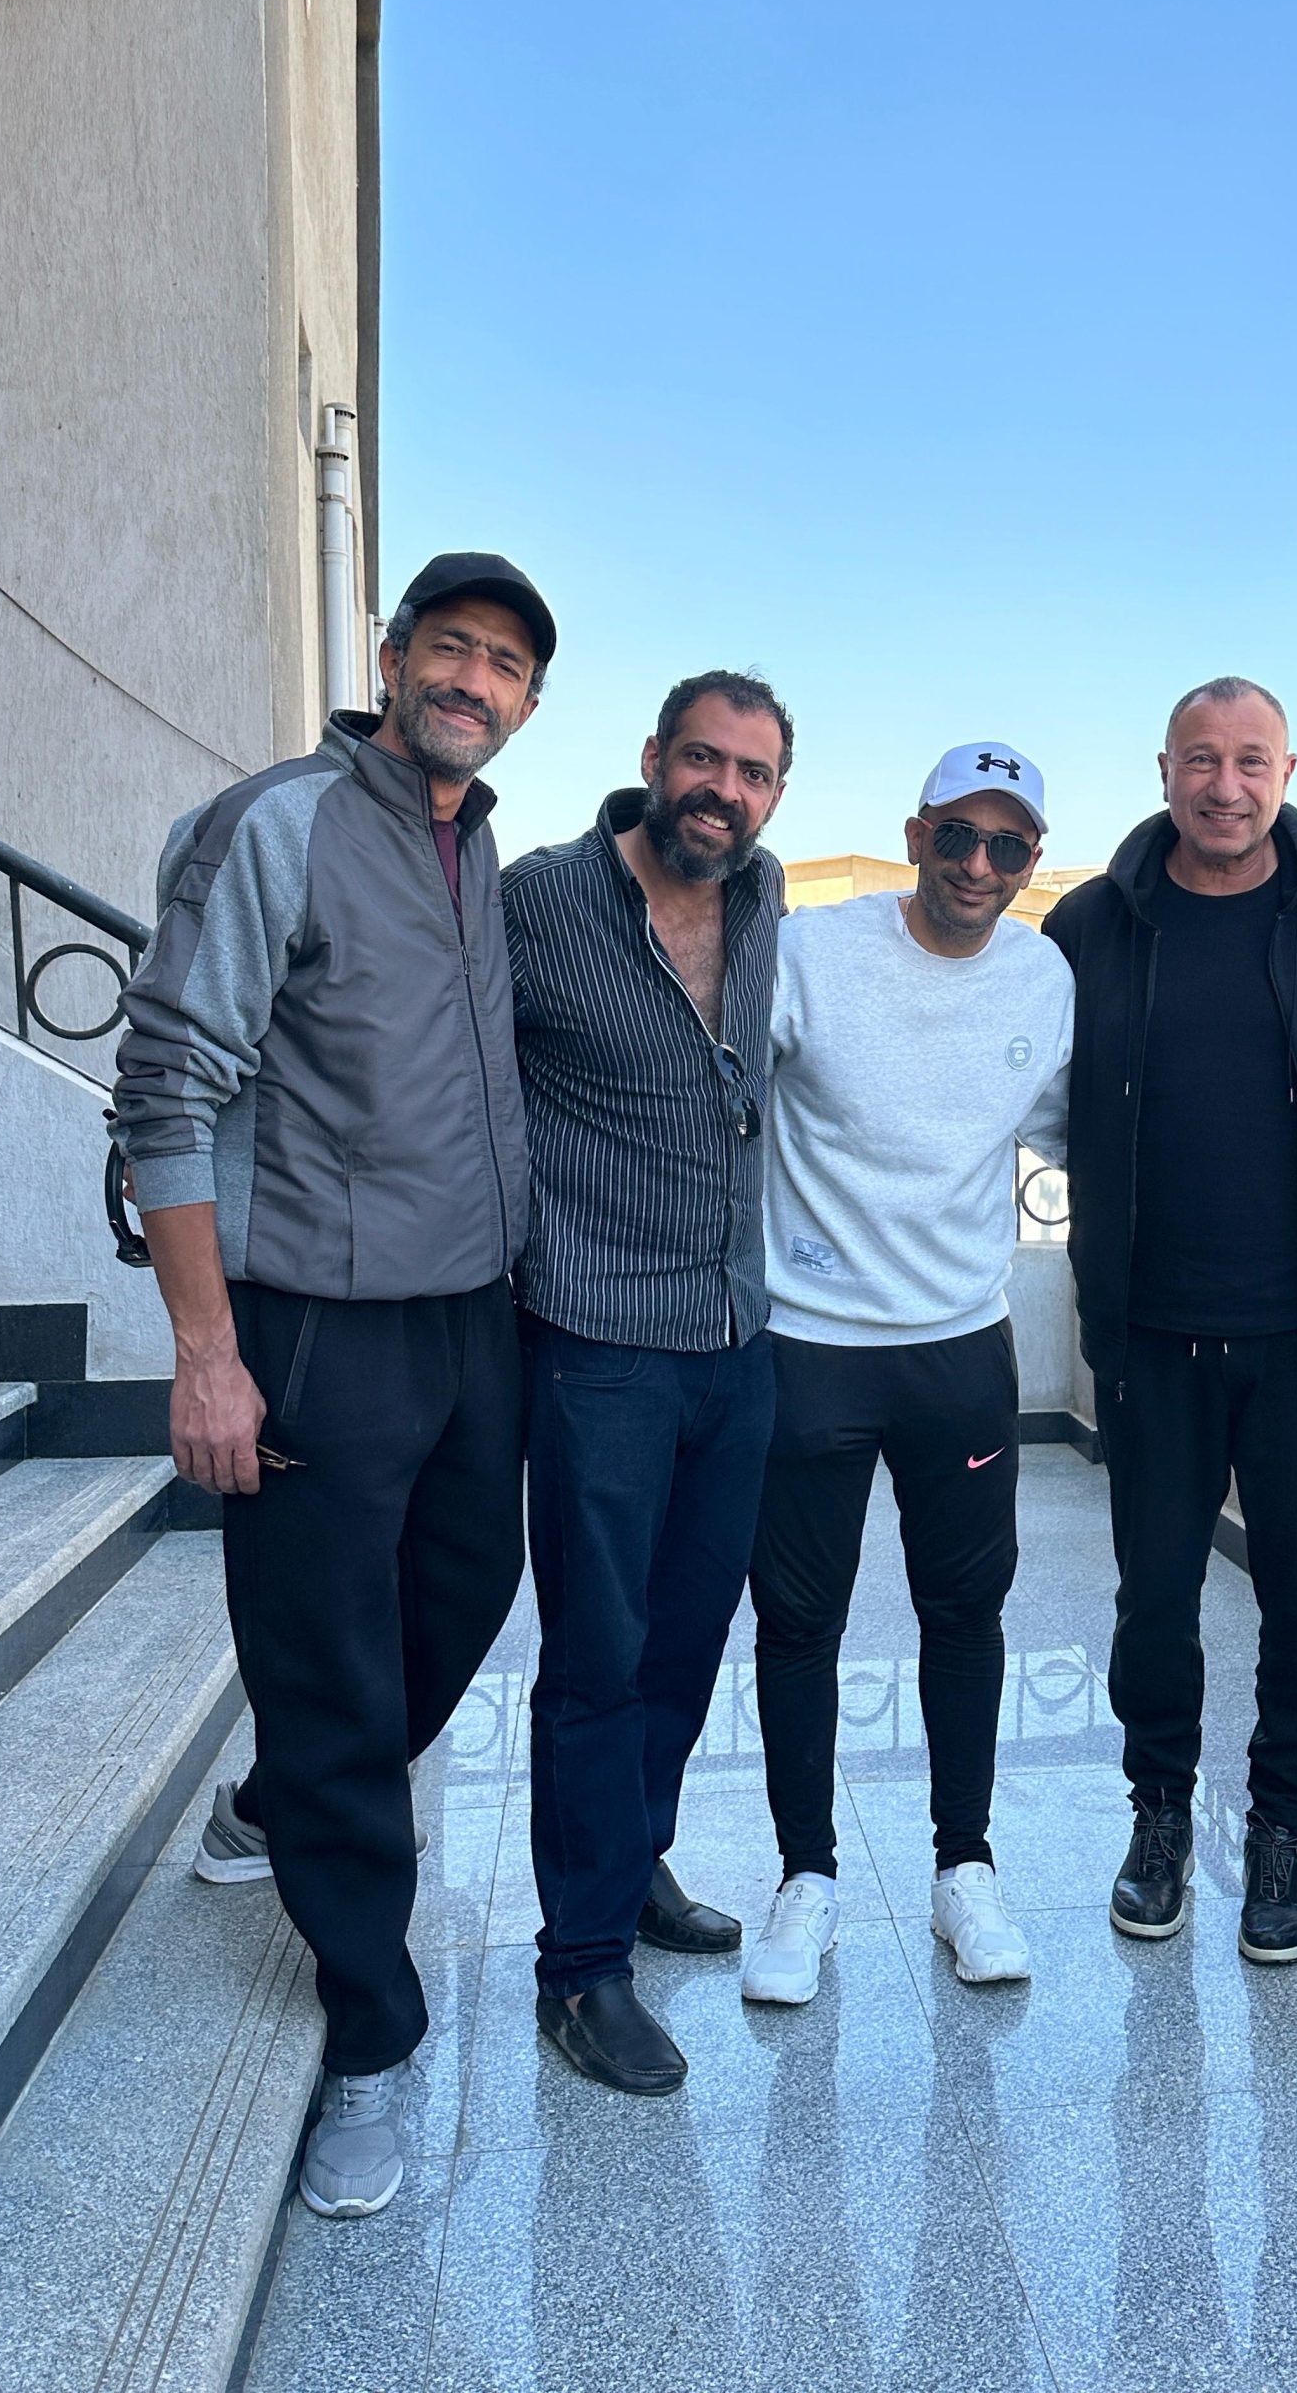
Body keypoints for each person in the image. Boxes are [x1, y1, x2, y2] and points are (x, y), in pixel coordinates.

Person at [112, 551, 553, 2219]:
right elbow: (167, 1084)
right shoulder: (276, 824)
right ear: (390, 655)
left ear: (526, 702)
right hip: (311, 1324)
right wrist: (207, 1352)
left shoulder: (477, 847)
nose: (471, 680)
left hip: (470, 1320)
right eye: (450, 647)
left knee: (467, 1593)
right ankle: (370, 2028)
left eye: (504, 664)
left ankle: (280, 1801)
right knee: (332, 1662)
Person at [1044, 679, 1297, 1960]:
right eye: (1201, 759)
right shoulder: (1090, 921)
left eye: (1251, 760)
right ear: (1163, 769)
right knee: (1154, 1599)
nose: (1225, 784)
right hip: (1151, 1334)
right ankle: (1158, 1814)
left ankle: (1280, 1831)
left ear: (1287, 772)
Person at [742, 743, 1075, 2004]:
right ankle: (805, 1877)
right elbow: (720, 1093)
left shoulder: (1043, 976)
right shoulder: (814, 952)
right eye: (958, 836)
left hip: (960, 1351)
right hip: (811, 1344)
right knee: (798, 1622)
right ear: (915, 833)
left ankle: (963, 1867)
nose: (979, 864)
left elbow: (1079, 1129)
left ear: (1031, 861)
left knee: (966, 1614)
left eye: (1009, 845)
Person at [504, 670, 790, 2096]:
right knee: (597, 1657)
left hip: (738, 1338)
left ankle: (636, 1859)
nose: (723, 790)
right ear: (653, 758)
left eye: (753, 772)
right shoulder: (539, 901)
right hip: (597, 1342)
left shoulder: (766, 897)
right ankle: (580, 1963)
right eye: (703, 759)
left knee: (684, 1643)